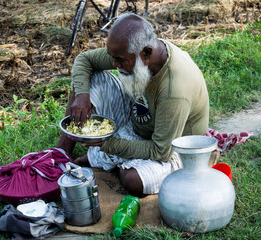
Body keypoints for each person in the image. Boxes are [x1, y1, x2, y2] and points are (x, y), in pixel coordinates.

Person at [57, 13, 209, 196]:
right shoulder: (134, 49)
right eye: (113, 58)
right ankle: (60, 154)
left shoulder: (174, 90)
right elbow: (85, 60)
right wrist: (82, 95)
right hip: (137, 124)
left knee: (132, 179)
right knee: (86, 81)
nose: (114, 64)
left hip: (174, 149)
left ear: (146, 53)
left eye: (120, 60)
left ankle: (113, 160)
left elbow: (161, 151)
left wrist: (108, 145)